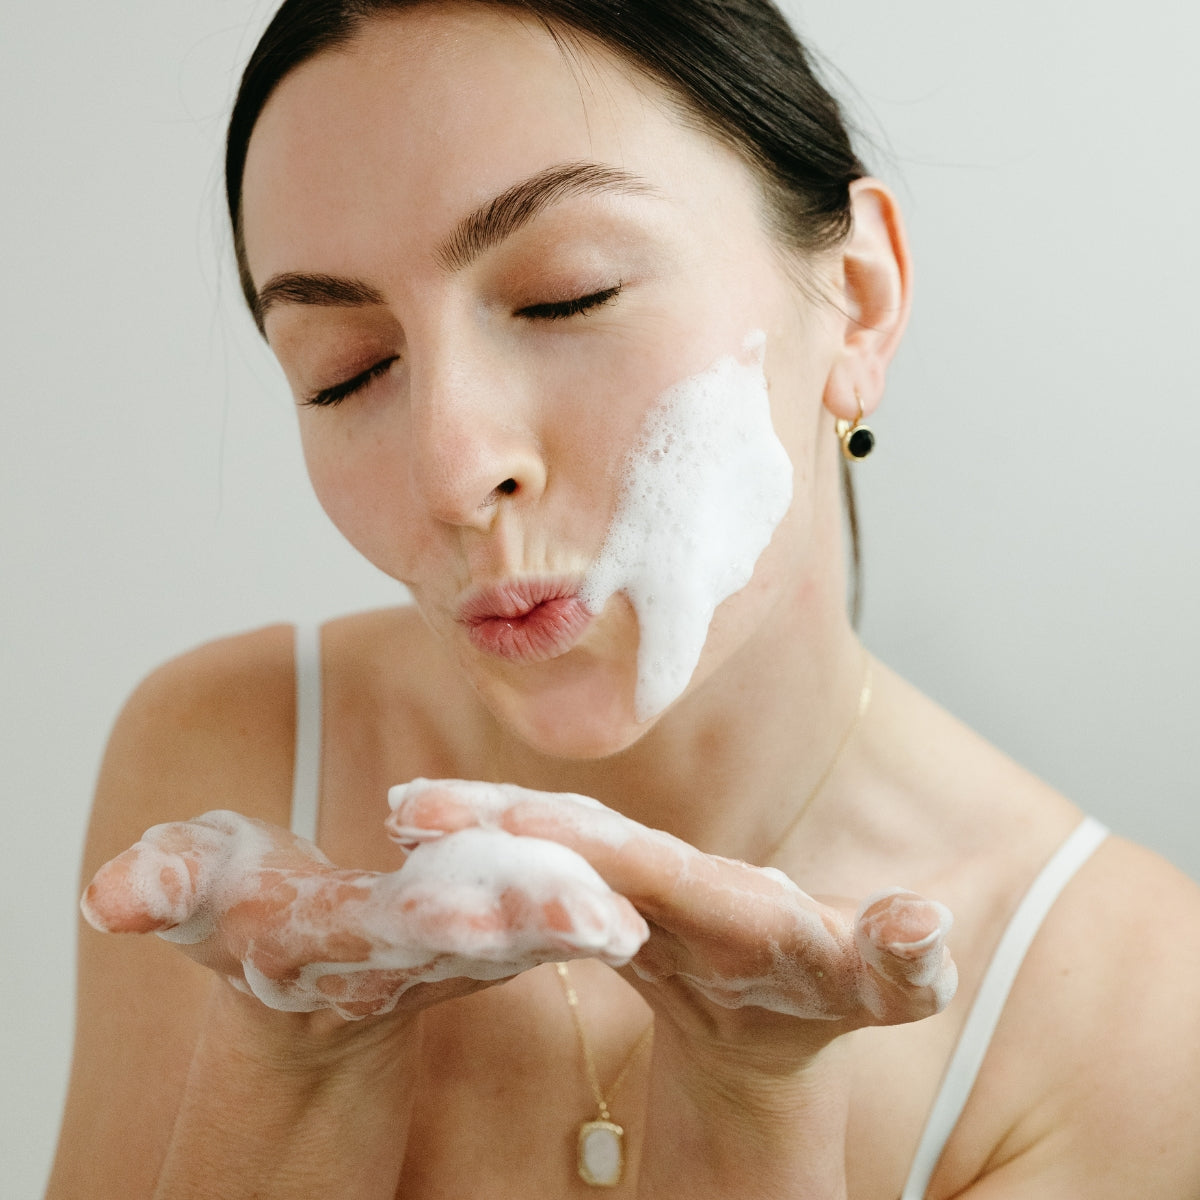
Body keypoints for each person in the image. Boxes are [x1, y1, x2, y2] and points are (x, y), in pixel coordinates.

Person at [46, 1, 1200, 1196]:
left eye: (567, 295)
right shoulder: (229, 775)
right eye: (348, 371)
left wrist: (757, 1094)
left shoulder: (1130, 1006)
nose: (452, 471)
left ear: (858, 297)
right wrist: (293, 1059)